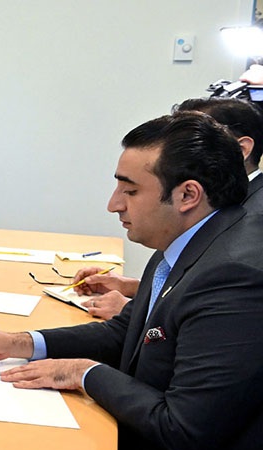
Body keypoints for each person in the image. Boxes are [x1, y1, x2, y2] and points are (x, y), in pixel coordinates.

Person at [0, 112, 263, 450]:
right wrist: (20, 343)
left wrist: (82, 373)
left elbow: (182, 429)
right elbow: (128, 332)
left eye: (130, 192)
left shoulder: (234, 277)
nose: (113, 204)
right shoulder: (188, 239)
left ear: (187, 195)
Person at [74, 97, 263, 319]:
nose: (176, 143)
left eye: (196, 135)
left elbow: (214, 296)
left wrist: (131, 311)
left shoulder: (250, 227)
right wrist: (137, 289)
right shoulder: (188, 226)